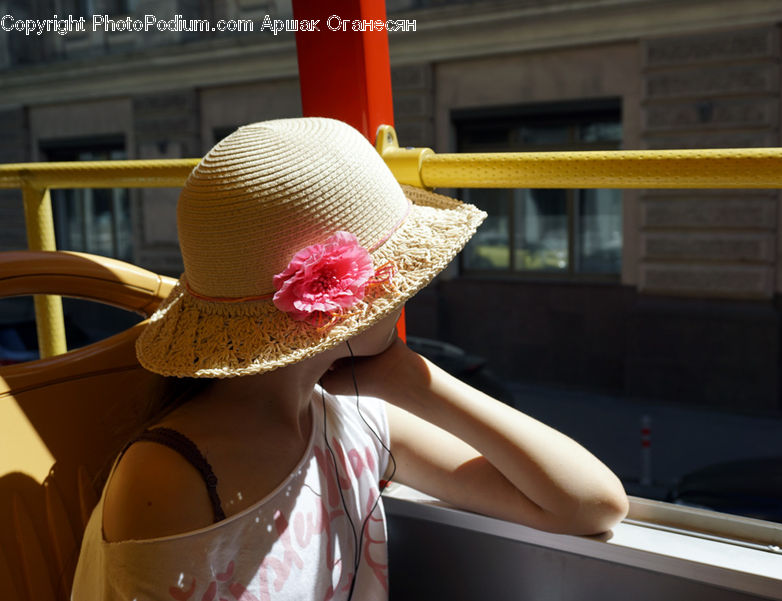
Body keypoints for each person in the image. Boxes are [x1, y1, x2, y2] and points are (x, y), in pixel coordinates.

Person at [72, 117, 628, 600]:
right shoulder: (170, 476)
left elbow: (589, 504)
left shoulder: (349, 419)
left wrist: (412, 379)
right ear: (338, 311)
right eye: (397, 286)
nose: (409, 297)